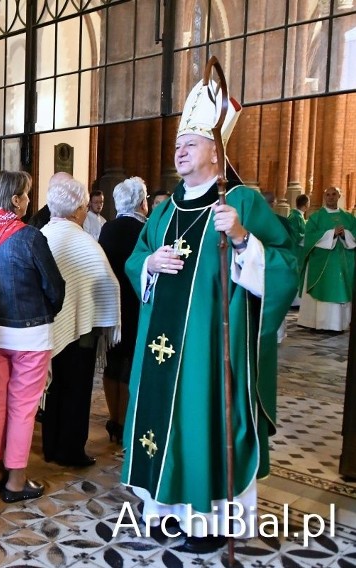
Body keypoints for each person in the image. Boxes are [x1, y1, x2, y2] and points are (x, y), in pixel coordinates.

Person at [122, 80, 297, 553]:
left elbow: (286, 266)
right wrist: (149, 265)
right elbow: (137, 258)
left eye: (190, 143)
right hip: (161, 349)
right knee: (164, 421)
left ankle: (209, 521)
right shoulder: (163, 209)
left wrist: (243, 239)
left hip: (209, 353)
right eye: (178, 144)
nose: (179, 151)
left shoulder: (241, 203)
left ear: (215, 152)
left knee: (203, 422)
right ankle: (165, 511)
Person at [0, 171, 65, 503]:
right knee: (23, 407)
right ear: (15, 200)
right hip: (29, 333)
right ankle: (16, 480)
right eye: (26, 194)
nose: (29, 199)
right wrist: (49, 311)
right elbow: (55, 286)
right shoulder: (29, 236)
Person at [40, 173, 120, 467]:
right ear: (75, 210)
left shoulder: (43, 234)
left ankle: (51, 446)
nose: (87, 211)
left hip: (50, 328)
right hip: (81, 331)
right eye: (85, 206)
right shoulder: (84, 242)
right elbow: (109, 284)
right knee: (76, 390)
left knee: (53, 388)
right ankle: (71, 451)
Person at [98, 176, 148, 445]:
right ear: (142, 202)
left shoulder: (108, 229)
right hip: (138, 304)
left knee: (113, 363)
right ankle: (126, 423)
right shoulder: (147, 231)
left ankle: (113, 420)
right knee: (131, 364)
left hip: (112, 305)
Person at [298, 186, 356, 332]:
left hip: (343, 263)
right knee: (322, 289)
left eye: (334, 194)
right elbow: (309, 236)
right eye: (328, 195)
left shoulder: (349, 218)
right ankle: (320, 323)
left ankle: (339, 324)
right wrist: (331, 234)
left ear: (339, 196)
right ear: (324, 197)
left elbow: (354, 235)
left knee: (341, 289)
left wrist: (344, 235)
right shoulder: (316, 217)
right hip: (322, 262)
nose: (330, 197)